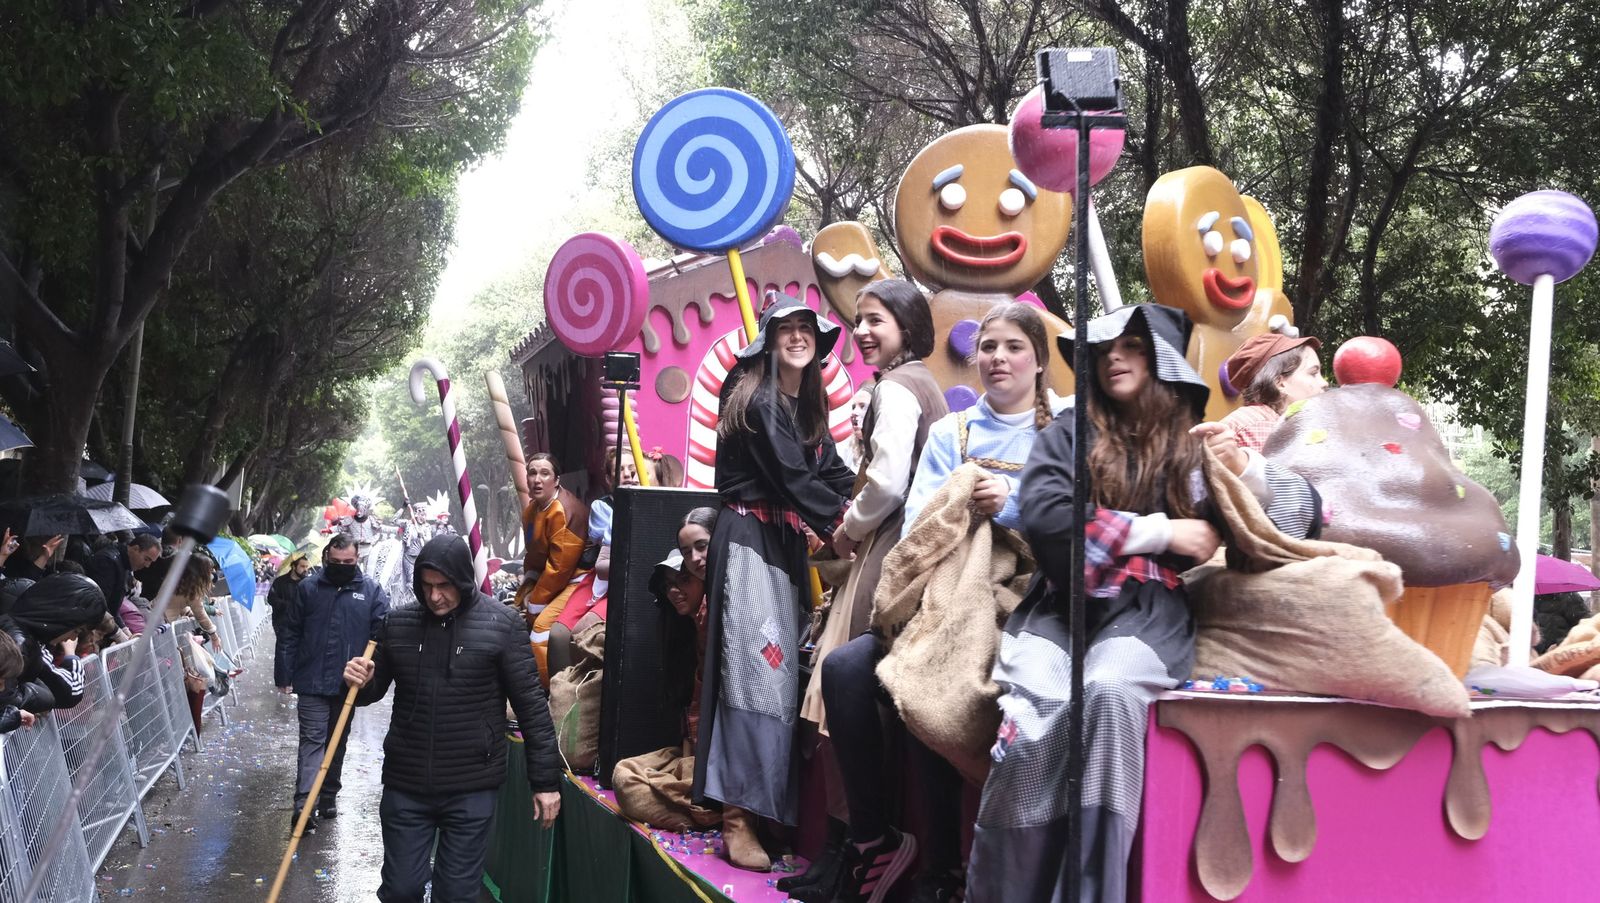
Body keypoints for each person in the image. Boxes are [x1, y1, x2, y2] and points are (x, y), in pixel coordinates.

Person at [967, 304, 1322, 903]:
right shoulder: (1067, 433)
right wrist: (1159, 532)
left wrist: (1247, 468)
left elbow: (1306, 519)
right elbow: (1046, 514)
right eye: (1105, 350)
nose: (1114, 358)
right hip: (1059, 613)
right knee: (1036, 717)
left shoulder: (1195, 448)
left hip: (1147, 614)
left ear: (1160, 360)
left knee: (1109, 691)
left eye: (1131, 347)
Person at [793, 302, 1066, 903]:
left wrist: (1015, 503)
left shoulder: (1066, 428)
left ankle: (954, 869)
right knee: (846, 668)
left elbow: (1081, 511)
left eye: (1014, 347)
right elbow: (919, 525)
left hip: (1031, 605)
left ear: (1040, 361)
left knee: (935, 675)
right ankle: (874, 837)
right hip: (947, 596)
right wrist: (966, 502)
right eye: (988, 347)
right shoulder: (952, 433)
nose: (998, 358)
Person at [696, 294, 855, 868]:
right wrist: (844, 525)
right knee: (752, 675)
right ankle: (738, 817)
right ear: (768, 341)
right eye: (785, 329)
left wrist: (880, 502)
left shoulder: (803, 406)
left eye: (805, 329)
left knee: (780, 676)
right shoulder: (759, 399)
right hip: (747, 540)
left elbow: (831, 472)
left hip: (782, 544)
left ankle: (764, 813)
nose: (796, 337)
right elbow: (792, 478)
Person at [343, 534, 562, 903]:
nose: (434, 596)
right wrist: (361, 681)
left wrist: (545, 781)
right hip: (406, 782)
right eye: (426, 586)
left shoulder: (503, 624)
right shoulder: (398, 624)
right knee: (400, 890)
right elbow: (373, 689)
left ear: (462, 579)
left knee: (457, 894)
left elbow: (532, 707)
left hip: (471, 785)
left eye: (444, 586)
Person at [804, 280, 946, 725]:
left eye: (875, 320)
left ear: (906, 326)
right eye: (858, 321)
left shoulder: (898, 388)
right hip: (917, 540)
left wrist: (849, 529)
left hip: (889, 542)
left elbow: (886, 484)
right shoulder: (923, 381)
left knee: (852, 675)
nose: (861, 330)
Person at [274, 533, 388, 833]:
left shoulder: (372, 592)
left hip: (347, 685)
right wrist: (283, 675)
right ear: (326, 557)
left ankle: (328, 795)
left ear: (357, 558)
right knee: (313, 740)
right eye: (336, 562)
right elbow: (290, 632)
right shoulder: (309, 588)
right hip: (311, 680)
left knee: (336, 741)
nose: (341, 566)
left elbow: (383, 635)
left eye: (347, 562)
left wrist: (371, 672)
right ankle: (304, 806)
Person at [515, 453, 585, 683]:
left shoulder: (561, 510)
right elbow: (534, 556)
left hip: (578, 579)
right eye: (532, 472)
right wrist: (528, 585)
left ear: (556, 480)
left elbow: (560, 568)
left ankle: (545, 692)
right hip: (551, 579)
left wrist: (535, 602)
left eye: (544, 473)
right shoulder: (532, 510)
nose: (537, 479)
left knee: (541, 629)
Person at [0, 573, 108, 717]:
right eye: (76, 630)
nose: (72, 638)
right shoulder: (21, 644)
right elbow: (70, 691)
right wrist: (71, 655)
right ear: (60, 617)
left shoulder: (25, 635)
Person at [1219, 332, 1327, 450]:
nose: (1324, 383)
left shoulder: (1260, 419)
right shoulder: (1261, 426)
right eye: (1313, 373)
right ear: (1279, 383)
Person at [85, 534, 161, 631]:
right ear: (135, 549)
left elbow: (114, 606)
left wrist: (123, 629)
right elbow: (100, 603)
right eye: (146, 559)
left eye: (151, 562)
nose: (147, 565)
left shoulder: (124, 564)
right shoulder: (109, 561)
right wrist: (117, 632)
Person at [266, 552, 312, 635]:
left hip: (302, 627)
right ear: (294, 566)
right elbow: (271, 599)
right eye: (302, 566)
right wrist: (287, 605)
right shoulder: (280, 582)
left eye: (306, 567)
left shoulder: (308, 583)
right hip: (283, 626)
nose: (305, 570)